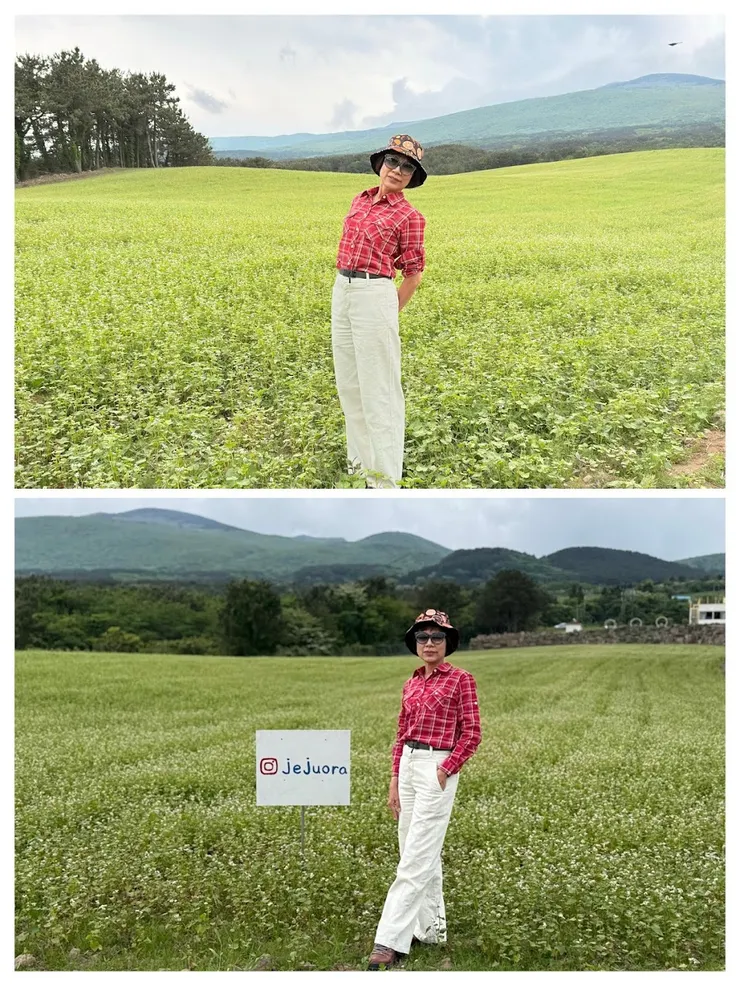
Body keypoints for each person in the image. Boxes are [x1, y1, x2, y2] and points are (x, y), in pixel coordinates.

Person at [368, 609, 482, 970]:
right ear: (414, 643)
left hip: (437, 767)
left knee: (416, 856)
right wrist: (393, 780)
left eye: (437, 637)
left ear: (448, 642)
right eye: (422, 637)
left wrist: (447, 769)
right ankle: (430, 929)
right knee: (415, 850)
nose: (429, 643)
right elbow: (401, 734)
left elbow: (472, 733)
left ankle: (389, 940)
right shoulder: (412, 682)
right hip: (407, 768)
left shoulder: (461, 679)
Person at [332, 134, 427, 489]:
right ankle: (361, 470)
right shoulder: (360, 200)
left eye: (407, 167)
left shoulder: (410, 216)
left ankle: (385, 483)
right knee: (350, 386)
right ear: (381, 163)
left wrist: (388, 309)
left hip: (375, 293)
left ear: (412, 176)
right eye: (393, 161)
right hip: (342, 289)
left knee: (380, 392)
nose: (398, 170)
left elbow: (413, 275)